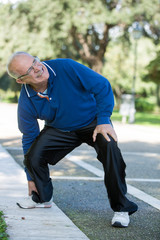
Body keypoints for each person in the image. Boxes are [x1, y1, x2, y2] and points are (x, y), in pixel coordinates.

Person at [7, 51, 138, 227]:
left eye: (35, 61)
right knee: (32, 156)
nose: (38, 68)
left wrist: (104, 120)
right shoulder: (26, 101)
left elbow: (102, 86)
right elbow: (29, 137)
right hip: (60, 129)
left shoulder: (66, 67)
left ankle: (122, 208)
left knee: (109, 147)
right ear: (21, 80)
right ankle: (43, 198)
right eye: (29, 70)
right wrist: (31, 178)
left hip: (92, 122)